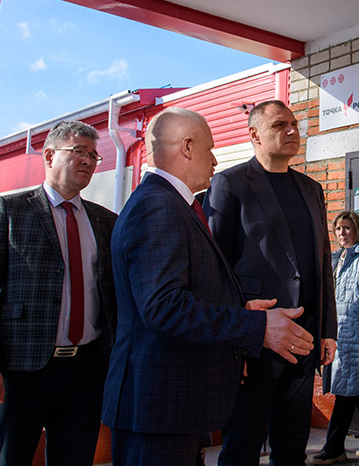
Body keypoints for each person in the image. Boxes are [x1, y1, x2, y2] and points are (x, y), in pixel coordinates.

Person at [101, 107, 314, 466]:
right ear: (187, 147)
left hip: (171, 408)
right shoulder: (158, 206)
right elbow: (164, 307)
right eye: (210, 148)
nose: (215, 160)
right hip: (158, 407)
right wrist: (256, 327)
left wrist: (240, 309)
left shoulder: (171, 205)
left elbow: (185, 294)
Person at [0, 120, 118, 466]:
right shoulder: (10, 211)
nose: (88, 161)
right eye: (78, 151)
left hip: (86, 370)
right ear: (49, 156)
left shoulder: (106, 222)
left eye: (94, 155)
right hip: (21, 370)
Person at [204, 99, 337, 466]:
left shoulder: (311, 189)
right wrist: (235, 337)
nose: (292, 130)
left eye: (294, 124)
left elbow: (322, 263)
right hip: (256, 340)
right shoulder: (229, 183)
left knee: (292, 447)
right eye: (280, 125)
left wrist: (327, 329)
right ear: (255, 134)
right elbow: (216, 267)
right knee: (241, 447)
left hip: (304, 339)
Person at [311, 211, 359, 465]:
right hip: (339, 336)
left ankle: (334, 447)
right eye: (339, 228)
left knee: (349, 392)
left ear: (356, 230)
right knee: (352, 393)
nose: (343, 233)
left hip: (356, 339)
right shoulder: (335, 258)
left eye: (347, 228)